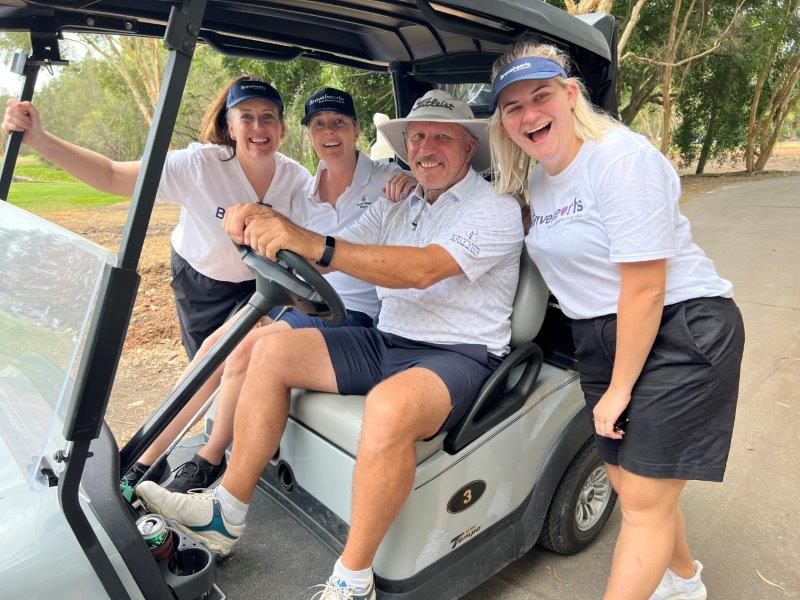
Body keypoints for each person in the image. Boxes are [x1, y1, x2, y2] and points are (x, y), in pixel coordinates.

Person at [136, 89, 524, 600]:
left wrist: (316, 245)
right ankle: (226, 513)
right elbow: (333, 251)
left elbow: (424, 269)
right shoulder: (401, 203)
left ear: (469, 148)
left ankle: (352, 577)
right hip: (387, 337)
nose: (427, 147)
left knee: (387, 407)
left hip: (458, 352)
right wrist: (260, 220)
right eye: (419, 136)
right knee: (267, 352)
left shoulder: (494, 207)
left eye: (443, 137)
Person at [488, 43, 745, 600]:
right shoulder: (539, 179)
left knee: (645, 503)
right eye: (513, 107)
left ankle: (673, 582)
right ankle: (682, 580)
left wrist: (621, 387)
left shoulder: (620, 159)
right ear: (503, 123)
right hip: (601, 334)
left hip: (680, 327)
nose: (529, 115)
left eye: (541, 96)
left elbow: (647, 287)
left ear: (571, 94)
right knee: (632, 488)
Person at [121, 87, 416, 492]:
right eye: (319, 125)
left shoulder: (389, 182)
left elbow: (434, 190)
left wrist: (412, 184)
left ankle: (207, 462)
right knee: (216, 345)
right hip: (300, 302)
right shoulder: (302, 191)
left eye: (339, 123)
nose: (330, 132)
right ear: (309, 133)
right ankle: (143, 460)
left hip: (352, 314)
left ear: (356, 130)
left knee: (242, 348)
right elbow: (282, 242)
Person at [2, 76, 311, 360]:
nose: (258, 127)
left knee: (255, 364)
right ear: (230, 128)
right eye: (246, 117)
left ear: (281, 129)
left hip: (261, 284)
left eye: (267, 117)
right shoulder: (197, 165)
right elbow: (111, 175)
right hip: (202, 282)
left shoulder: (296, 179)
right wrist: (39, 139)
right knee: (205, 371)